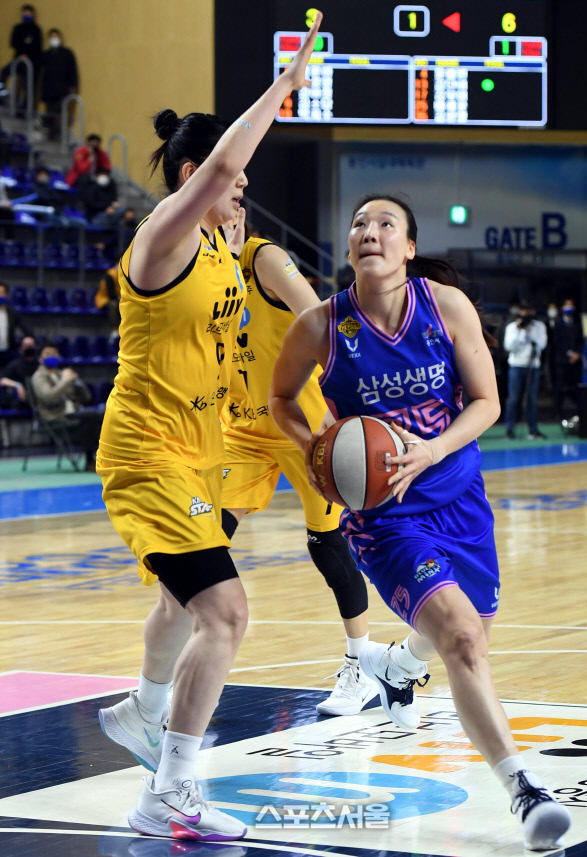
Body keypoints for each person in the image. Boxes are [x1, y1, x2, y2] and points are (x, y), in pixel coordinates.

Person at [269, 194, 571, 852]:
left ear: (408, 248)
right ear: (349, 245)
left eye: (386, 224)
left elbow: (487, 402)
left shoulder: (446, 306)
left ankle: (398, 666)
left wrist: (434, 449)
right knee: (463, 639)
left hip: (459, 496)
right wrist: (314, 445)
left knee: (470, 631)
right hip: (384, 517)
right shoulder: (321, 326)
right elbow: (280, 398)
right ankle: (524, 789)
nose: (368, 231)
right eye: (358, 223)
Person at [94, 13, 322, 842]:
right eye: (231, 182)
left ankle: (142, 708)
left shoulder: (224, 245)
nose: (241, 191)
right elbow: (225, 163)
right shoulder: (161, 237)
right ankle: (168, 791)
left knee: (182, 600)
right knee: (224, 612)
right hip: (148, 451)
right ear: (196, 176)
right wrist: (283, 86)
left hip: (202, 452)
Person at [221, 229, 377, 717]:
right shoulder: (197, 266)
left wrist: (340, 405)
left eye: (240, 196)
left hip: (305, 427)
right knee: (202, 545)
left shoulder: (262, 258)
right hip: (242, 428)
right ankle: (177, 677)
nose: (238, 207)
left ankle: (361, 667)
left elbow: (322, 323)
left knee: (326, 546)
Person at [31, 343, 103, 470]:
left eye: (54, 354)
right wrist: (65, 381)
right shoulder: (38, 377)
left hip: (75, 413)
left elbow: (87, 398)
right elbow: (49, 398)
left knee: (99, 417)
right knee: (92, 417)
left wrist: (77, 382)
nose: (51, 356)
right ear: (40, 359)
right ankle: (90, 460)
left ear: (59, 357)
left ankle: (98, 458)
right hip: (56, 416)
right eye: (47, 354)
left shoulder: (63, 373)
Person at [503, 301, 547, 439]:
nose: (526, 313)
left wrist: (530, 332)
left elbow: (542, 345)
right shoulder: (512, 327)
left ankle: (533, 429)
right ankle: (509, 429)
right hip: (516, 366)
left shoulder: (539, 326)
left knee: (531, 399)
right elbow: (509, 347)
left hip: (533, 366)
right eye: (523, 310)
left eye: (529, 310)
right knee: (514, 399)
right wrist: (520, 331)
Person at [38, 27, 78, 140]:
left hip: (62, 87)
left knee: (58, 109)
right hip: (49, 89)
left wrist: (73, 85)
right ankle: (51, 133)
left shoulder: (67, 53)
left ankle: (52, 127)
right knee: (50, 111)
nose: (54, 39)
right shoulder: (46, 55)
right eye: (52, 37)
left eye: (56, 36)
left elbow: (72, 69)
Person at [0, 5, 42, 104]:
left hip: (30, 61)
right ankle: (1, 95)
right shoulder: (18, 28)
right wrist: (25, 45)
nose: (27, 15)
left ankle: (26, 105)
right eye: (25, 13)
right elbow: (13, 42)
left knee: (28, 83)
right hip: (18, 59)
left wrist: (27, 51)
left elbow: (37, 46)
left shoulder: (36, 29)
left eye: (29, 13)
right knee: (4, 71)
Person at [552, 298, 584, 420]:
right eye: (567, 306)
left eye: (571, 306)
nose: (569, 309)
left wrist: (577, 354)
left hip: (576, 361)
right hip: (562, 361)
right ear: (562, 308)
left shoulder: (577, 324)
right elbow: (557, 342)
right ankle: (557, 412)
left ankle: (578, 412)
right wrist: (569, 353)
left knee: (576, 387)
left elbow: (581, 341)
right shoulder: (558, 324)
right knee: (559, 387)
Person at [0, 282, 33, 368]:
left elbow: (26, 328)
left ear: (6, 295)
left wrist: (27, 338)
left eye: (1, 293)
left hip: (8, 351)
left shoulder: (13, 313)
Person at [1, 333, 38, 406]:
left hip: (38, 398)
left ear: (36, 347)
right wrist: (18, 385)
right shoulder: (15, 364)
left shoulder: (40, 364)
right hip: (21, 399)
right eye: (26, 346)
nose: (29, 348)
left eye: (31, 345)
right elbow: (2, 380)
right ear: (21, 349)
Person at [94, 265, 121, 337]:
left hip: (117, 298)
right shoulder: (110, 275)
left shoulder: (124, 275)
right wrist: (119, 297)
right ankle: (114, 329)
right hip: (104, 299)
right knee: (113, 305)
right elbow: (110, 293)